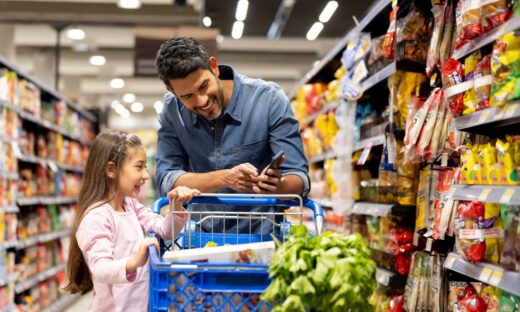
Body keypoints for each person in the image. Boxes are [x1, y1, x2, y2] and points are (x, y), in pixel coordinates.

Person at [155, 36, 310, 234]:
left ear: (214, 67)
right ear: (171, 90)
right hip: (199, 237)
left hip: (264, 236)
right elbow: (167, 179)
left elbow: (299, 178)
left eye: (203, 86)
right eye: (187, 96)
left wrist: (277, 185)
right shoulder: (172, 110)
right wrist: (226, 178)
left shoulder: (268, 100)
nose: (201, 101)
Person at [63, 131, 200, 311]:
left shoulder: (130, 205)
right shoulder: (96, 217)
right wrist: (135, 260)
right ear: (111, 169)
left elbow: (166, 230)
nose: (146, 175)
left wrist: (176, 206)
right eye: (139, 167)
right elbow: (100, 268)